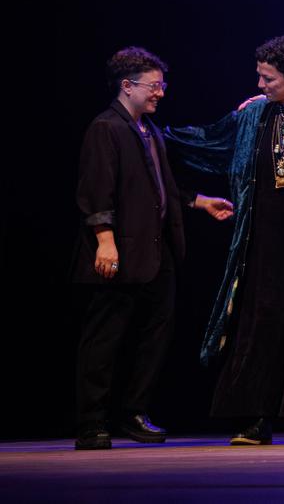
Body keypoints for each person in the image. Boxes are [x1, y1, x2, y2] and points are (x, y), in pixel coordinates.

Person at [165, 34, 284, 446]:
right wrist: (157, 135)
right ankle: (257, 419)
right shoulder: (255, 116)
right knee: (261, 325)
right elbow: (210, 141)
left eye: (269, 79)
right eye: (260, 77)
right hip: (264, 237)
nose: (261, 85)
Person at [73, 47, 233, 451]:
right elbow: (95, 191)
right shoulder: (106, 128)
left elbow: (159, 189)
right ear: (127, 87)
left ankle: (133, 413)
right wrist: (105, 241)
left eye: (162, 86)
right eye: (154, 86)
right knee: (105, 338)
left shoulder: (148, 131)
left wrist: (198, 201)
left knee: (153, 338)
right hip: (120, 252)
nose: (160, 93)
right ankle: (92, 422)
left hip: (156, 254)